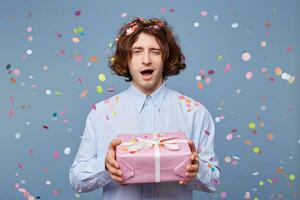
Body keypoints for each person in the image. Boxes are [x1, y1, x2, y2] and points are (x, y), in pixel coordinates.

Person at [69, 17, 220, 200]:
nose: (146, 60)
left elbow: (214, 181)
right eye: (137, 51)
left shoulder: (195, 113)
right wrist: (106, 166)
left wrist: (198, 170)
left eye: (155, 52)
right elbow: (76, 179)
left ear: (166, 58)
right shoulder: (101, 113)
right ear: (126, 58)